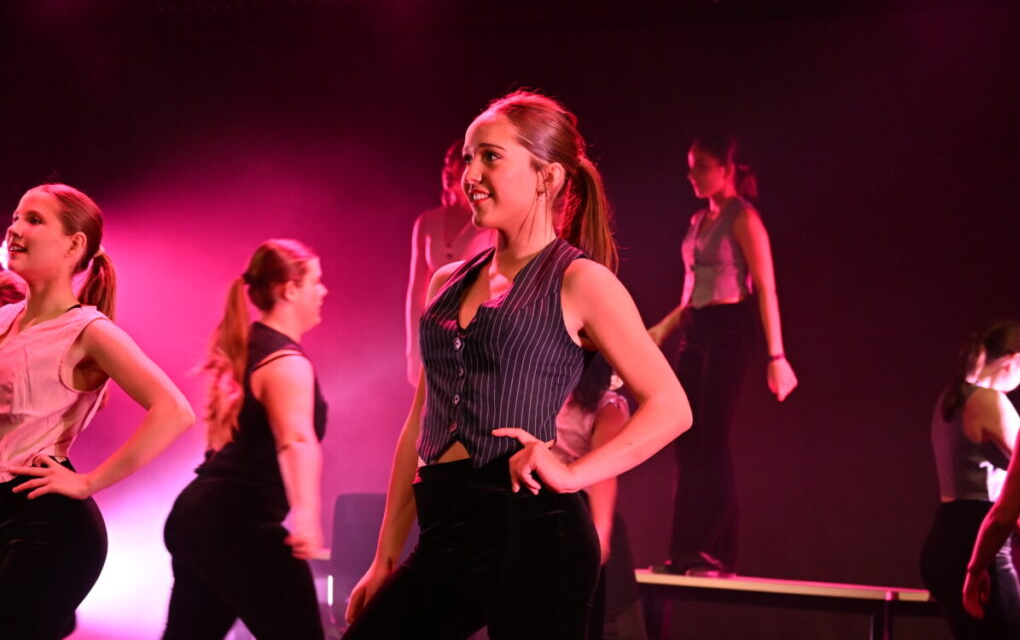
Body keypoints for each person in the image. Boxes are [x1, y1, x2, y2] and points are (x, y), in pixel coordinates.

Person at [343, 90, 691, 640]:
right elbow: (419, 424)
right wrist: (385, 556)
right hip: (445, 529)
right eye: (468, 158)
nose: (470, 175)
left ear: (546, 177)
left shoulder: (580, 281)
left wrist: (573, 473)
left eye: (490, 156)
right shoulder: (446, 283)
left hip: (534, 530)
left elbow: (671, 408)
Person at [0, 183, 194, 640]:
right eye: (15, 217)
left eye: (34, 220)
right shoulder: (5, 319)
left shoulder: (89, 331)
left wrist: (89, 482)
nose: (15, 228)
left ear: (74, 245)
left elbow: (174, 410)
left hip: (45, 525)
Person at [163, 239, 329, 640]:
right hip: (237, 521)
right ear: (290, 289)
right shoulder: (285, 361)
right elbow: (296, 439)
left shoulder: (248, 347)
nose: (323, 291)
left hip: (195, 515)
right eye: (316, 281)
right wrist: (307, 515)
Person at [648, 135, 797, 575]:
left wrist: (777, 356)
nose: (691, 175)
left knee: (712, 438)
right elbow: (692, 292)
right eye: (690, 165)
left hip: (729, 328)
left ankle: (716, 551)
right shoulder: (698, 220)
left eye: (701, 166)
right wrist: (663, 328)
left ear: (726, 170)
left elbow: (766, 288)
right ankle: (684, 550)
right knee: (685, 435)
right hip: (696, 327)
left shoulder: (743, 218)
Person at [931, 320, 1020, 637]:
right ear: (1013, 360)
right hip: (977, 543)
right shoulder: (990, 401)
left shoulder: (951, 398)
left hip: (944, 537)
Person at [552, 355, 647, 640]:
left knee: (574, 616)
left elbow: (605, 472)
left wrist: (600, 530)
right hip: (532, 506)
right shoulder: (542, 394)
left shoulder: (606, 406)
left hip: (574, 514)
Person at [405, 140, 496, 385]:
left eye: (459, 163)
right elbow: (416, 292)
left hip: (475, 334)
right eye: (447, 164)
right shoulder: (427, 222)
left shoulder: (490, 223)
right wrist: (413, 349)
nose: (449, 170)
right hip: (436, 333)